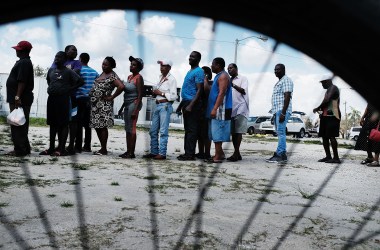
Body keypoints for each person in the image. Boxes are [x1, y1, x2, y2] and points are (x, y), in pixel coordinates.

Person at [40, 51, 84, 156]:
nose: (56, 58)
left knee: (63, 124)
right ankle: (51, 148)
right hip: (51, 99)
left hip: (63, 99)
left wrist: (69, 89)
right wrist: (53, 88)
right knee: (52, 123)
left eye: (59, 57)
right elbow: (49, 80)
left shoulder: (68, 71)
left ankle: (61, 148)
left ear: (64, 60)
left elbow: (81, 81)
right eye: (56, 56)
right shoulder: (51, 70)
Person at [89, 56, 124, 155]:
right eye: (103, 64)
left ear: (111, 66)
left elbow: (121, 86)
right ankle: (102, 148)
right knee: (97, 126)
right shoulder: (102, 74)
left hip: (104, 105)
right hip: (95, 105)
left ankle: (104, 149)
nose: (103, 66)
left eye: (106, 64)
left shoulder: (112, 75)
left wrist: (111, 97)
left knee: (103, 126)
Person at [50, 45, 82, 155]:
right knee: (59, 121)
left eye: (76, 50)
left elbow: (75, 74)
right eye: (73, 50)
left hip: (72, 96)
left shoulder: (77, 62)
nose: (76, 52)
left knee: (72, 121)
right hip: (58, 97)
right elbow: (52, 74)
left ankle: (71, 145)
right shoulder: (57, 60)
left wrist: (65, 76)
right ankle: (60, 145)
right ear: (66, 51)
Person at [143, 59, 177, 160]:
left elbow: (173, 97)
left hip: (165, 105)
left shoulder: (172, 79)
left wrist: (160, 93)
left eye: (164, 66)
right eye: (161, 66)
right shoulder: (160, 78)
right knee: (153, 131)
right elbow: (158, 92)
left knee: (163, 131)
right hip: (158, 105)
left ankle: (162, 153)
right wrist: (155, 93)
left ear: (169, 68)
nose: (161, 67)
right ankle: (154, 152)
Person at [5, 41, 34, 157]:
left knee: (17, 124)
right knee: (21, 123)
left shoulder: (24, 63)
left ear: (23, 51)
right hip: (20, 98)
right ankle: (25, 148)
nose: (16, 51)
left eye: (18, 49)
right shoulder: (24, 62)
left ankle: (19, 150)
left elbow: (22, 81)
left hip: (19, 99)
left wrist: (17, 97)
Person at [176, 51, 204, 161]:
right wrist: (180, 106)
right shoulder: (190, 71)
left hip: (193, 104)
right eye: (190, 56)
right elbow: (187, 91)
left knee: (192, 130)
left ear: (198, 59)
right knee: (187, 130)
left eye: (193, 56)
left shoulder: (199, 71)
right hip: (186, 102)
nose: (190, 58)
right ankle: (187, 152)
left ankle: (190, 154)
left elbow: (199, 90)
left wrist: (191, 105)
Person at [205, 57, 232, 163]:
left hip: (221, 109)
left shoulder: (224, 76)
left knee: (217, 133)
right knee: (214, 133)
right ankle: (219, 154)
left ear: (218, 65)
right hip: (216, 108)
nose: (211, 66)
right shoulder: (218, 76)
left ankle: (218, 157)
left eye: (213, 64)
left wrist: (215, 108)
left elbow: (222, 93)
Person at [118, 56, 144, 159]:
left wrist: (136, 109)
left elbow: (140, 95)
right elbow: (127, 95)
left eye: (134, 65)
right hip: (127, 104)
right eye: (131, 64)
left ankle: (131, 153)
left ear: (138, 68)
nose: (131, 66)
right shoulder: (129, 77)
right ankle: (128, 151)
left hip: (135, 104)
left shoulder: (139, 78)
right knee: (127, 128)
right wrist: (121, 107)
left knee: (132, 128)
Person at [266, 63, 294, 163]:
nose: (276, 71)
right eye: (275, 70)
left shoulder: (286, 80)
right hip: (277, 111)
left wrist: (283, 113)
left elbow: (287, 97)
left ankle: (281, 154)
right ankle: (280, 153)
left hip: (282, 111)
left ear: (283, 70)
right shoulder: (280, 81)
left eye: (278, 69)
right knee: (279, 132)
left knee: (281, 132)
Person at [313, 75, 341, 163]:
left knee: (331, 136)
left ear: (328, 81)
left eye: (323, 83)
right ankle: (328, 156)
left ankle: (336, 158)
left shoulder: (333, 88)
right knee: (324, 137)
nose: (322, 85)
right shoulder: (328, 90)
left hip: (333, 116)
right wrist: (320, 110)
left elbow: (327, 100)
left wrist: (317, 108)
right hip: (325, 116)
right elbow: (325, 102)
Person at [75, 52, 99, 153]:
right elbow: (97, 85)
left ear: (80, 59)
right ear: (88, 60)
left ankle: (78, 146)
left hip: (79, 98)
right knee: (88, 124)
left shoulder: (78, 70)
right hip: (90, 100)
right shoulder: (94, 72)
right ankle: (87, 146)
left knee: (78, 123)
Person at [226, 63, 249, 162]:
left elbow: (243, 91)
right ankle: (237, 153)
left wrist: (233, 85)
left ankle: (236, 153)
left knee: (238, 132)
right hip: (231, 109)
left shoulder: (243, 78)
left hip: (241, 107)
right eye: (228, 69)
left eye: (231, 68)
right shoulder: (228, 80)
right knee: (233, 133)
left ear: (236, 69)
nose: (229, 70)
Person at [195, 66, 213, 160]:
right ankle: (201, 152)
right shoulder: (199, 84)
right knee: (199, 133)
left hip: (207, 110)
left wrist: (205, 78)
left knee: (206, 134)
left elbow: (207, 91)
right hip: (199, 110)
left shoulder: (211, 83)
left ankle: (207, 153)